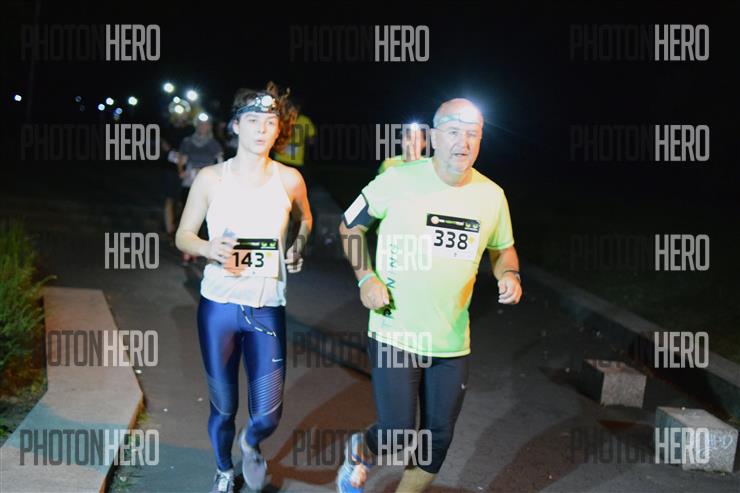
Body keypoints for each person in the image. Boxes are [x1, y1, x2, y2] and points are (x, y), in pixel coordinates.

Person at [336, 98, 522, 493]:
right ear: (434, 136)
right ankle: (361, 450)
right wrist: (366, 278)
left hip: (451, 339)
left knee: (438, 440)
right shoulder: (397, 180)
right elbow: (349, 226)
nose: (463, 143)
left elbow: (503, 248)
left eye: (473, 134)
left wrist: (510, 274)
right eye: (453, 132)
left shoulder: (492, 195)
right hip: (394, 329)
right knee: (397, 432)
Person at [175, 82, 312, 493]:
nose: (261, 130)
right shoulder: (210, 178)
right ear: (235, 126)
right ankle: (223, 470)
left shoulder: (290, 179)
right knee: (224, 406)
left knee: (267, 413)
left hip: (267, 307)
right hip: (219, 307)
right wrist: (208, 247)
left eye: (269, 122)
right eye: (252, 121)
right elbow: (183, 235)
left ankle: (250, 442)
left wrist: (299, 244)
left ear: (278, 130)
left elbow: (306, 219)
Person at [178, 117, 224, 263]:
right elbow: (181, 158)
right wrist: (181, 171)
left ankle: (207, 250)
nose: (203, 127)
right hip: (190, 180)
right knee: (188, 215)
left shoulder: (213, 143)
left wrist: (221, 177)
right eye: (201, 124)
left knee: (207, 218)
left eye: (206, 125)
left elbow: (220, 159)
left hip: (208, 182)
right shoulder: (188, 141)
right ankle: (187, 251)